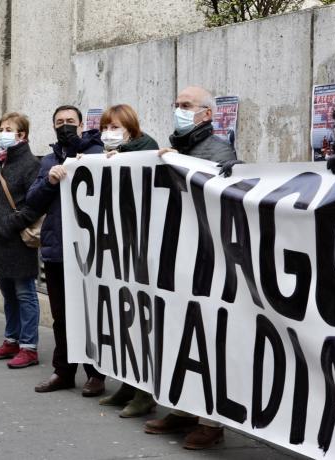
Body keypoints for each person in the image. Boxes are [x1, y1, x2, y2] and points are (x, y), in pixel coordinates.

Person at [148, 86, 236, 450]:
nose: (179, 111)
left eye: (186, 106)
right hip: (179, 254)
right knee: (179, 336)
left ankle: (210, 422)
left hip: (206, 257)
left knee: (207, 340)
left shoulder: (219, 151)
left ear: (207, 115)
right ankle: (182, 410)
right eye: (177, 105)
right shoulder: (178, 148)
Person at [27, 105, 106, 396]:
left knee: (91, 314)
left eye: (70, 121)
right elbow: (33, 201)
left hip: (90, 251)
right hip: (57, 249)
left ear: (82, 125)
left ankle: (96, 373)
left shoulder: (98, 155)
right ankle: (64, 371)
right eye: (59, 122)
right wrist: (49, 181)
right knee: (61, 315)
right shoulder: (49, 160)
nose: (65, 126)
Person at [94, 104, 159, 417]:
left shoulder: (147, 152)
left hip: (143, 251)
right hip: (120, 249)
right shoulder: (113, 156)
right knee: (124, 321)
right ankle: (129, 384)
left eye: (116, 127)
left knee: (143, 323)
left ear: (132, 129)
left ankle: (145, 393)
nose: (109, 133)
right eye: (105, 127)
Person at [0, 112, 43, 368]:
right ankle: (11, 340)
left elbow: (34, 205)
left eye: (9, 129)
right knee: (8, 293)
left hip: (17, 240)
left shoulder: (30, 164)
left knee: (25, 293)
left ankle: (29, 347)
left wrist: (9, 224)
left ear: (22, 135)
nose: (3, 132)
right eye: (1, 128)